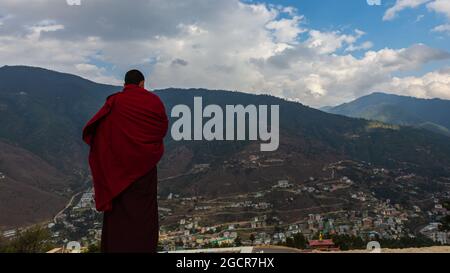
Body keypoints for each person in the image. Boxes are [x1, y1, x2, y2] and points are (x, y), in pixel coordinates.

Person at [82, 70, 168, 253]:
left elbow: (97, 132)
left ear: (124, 83)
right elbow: (160, 129)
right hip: (144, 171)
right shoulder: (153, 101)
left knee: (118, 219)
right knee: (144, 215)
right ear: (142, 83)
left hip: (117, 173)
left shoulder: (114, 102)